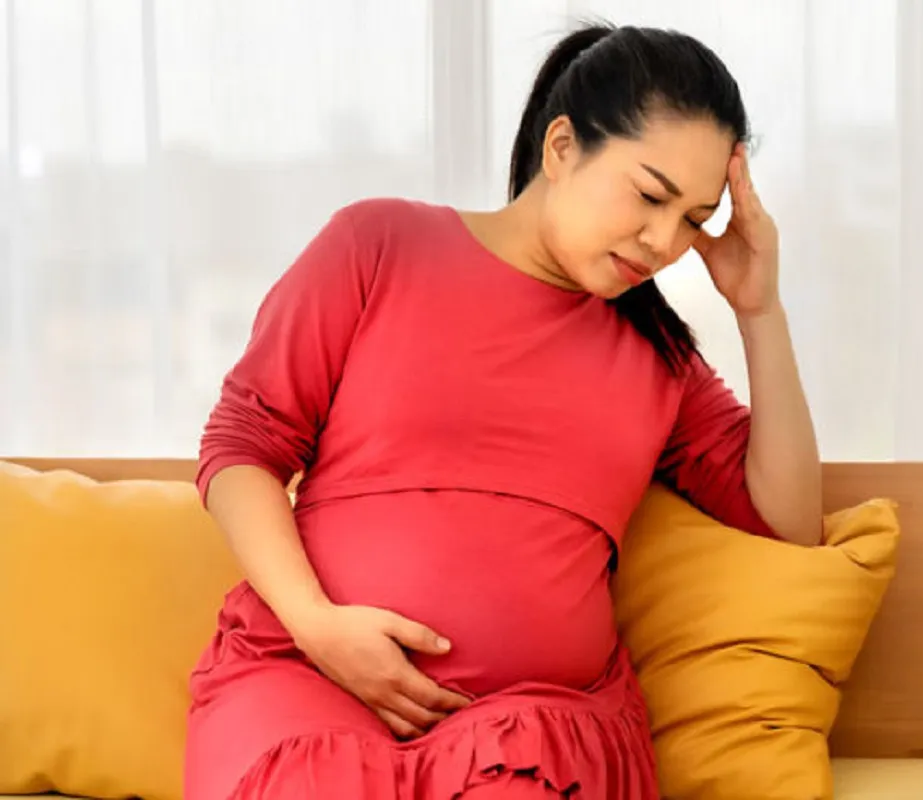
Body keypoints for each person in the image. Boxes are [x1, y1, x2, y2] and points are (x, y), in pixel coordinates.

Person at [183, 21, 822, 800]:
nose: (664, 241)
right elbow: (242, 447)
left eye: (693, 218)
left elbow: (789, 519)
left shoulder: (660, 359)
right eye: (651, 195)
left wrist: (760, 310)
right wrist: (318, 625)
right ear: (562, 147)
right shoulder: (379, 245)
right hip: (307, 678)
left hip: (532, 732)